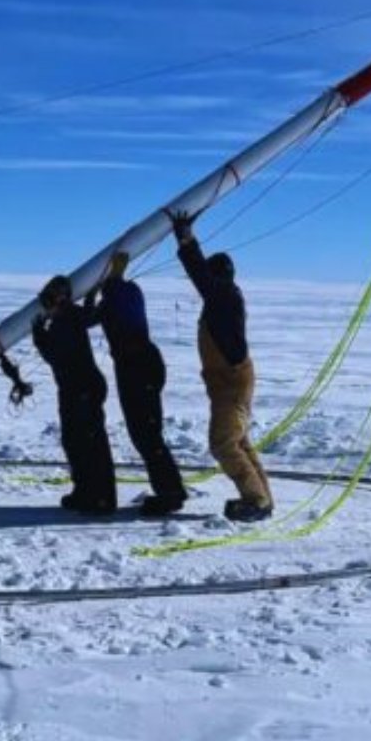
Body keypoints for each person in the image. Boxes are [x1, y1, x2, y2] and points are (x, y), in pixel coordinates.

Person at [167, 209, 274, 521]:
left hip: (231, 383)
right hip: (232, 382)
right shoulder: (225, 297)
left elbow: (200, 275)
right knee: (238, 441)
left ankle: (256, 501)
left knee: (223, 444)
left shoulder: (223, 296)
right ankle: (262, 499)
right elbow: (204, 279)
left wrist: (186, 239)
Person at [83, 251, 188, 516]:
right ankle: (170, 489)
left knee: (145, 433)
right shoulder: (133, 292)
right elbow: (114, 295)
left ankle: (170, 493)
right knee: (148, 432)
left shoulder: (112, 302)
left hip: (135, 369)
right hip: (148, 364)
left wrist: (90, 295)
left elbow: (86, 320)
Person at [32, 274, 118, 514]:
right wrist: (91, 296)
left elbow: (56, 356)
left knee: (90, 444)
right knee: (74, 442)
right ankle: (84, 491)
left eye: (51, 298)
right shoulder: (67, 317)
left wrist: (40, 338)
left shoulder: (67, 318)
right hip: (74, 388)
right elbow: (91, 316)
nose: (48, 305)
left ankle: (101, 498)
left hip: (83, 388)